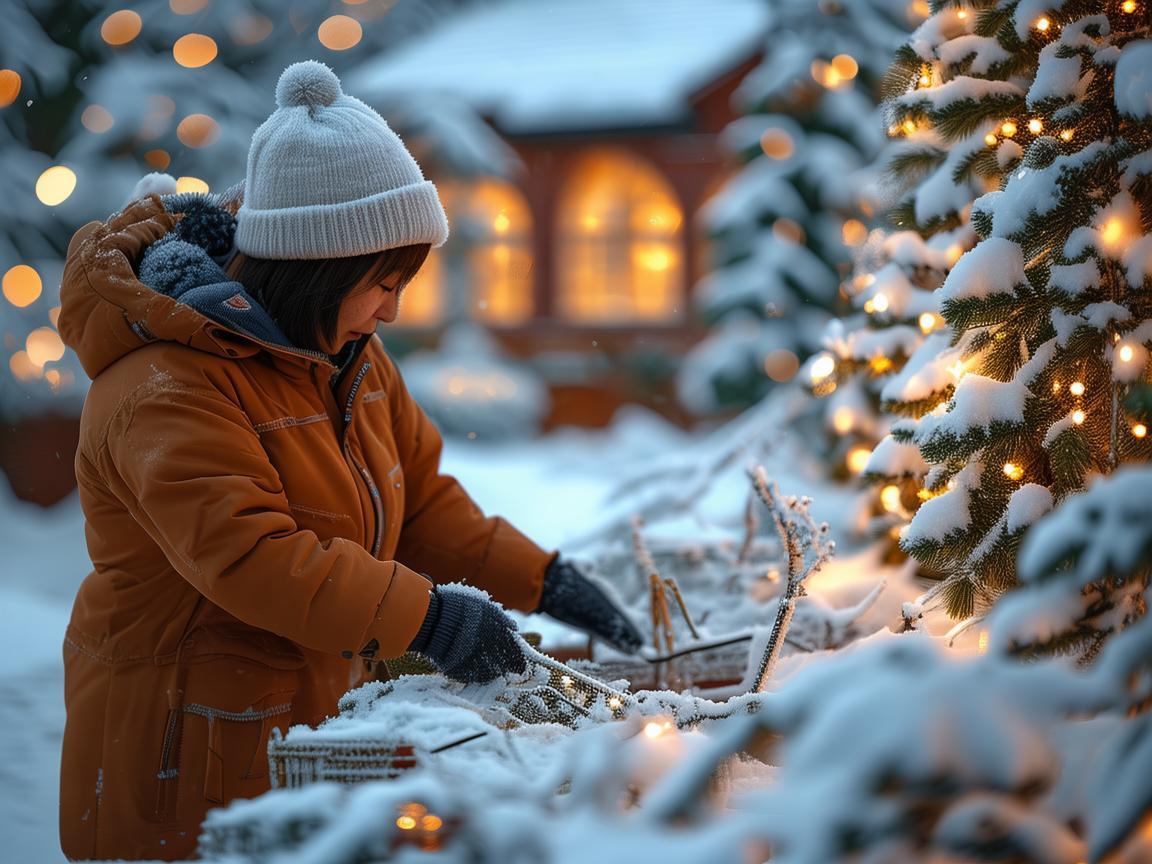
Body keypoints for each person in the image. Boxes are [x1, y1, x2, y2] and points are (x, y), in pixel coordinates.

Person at [57, 60, 642, 862]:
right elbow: (251, 556)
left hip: (307, 725)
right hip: (183, 745)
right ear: (315, 267)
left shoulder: (350, 358)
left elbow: (424, 503)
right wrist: (431, 619)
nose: (394, 308)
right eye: (382, 281)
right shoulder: (164, 383)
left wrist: (546, 580)